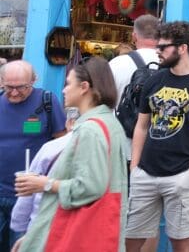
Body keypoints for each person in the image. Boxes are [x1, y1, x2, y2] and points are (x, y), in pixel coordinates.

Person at [13, 57, 128, 252]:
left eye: (68, 84)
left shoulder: (90, 130)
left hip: (78, 233)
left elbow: (90, 186)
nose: (64, 90)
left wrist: (44, 184)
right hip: (99, 231)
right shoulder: (109, 123)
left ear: (84, 87)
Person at [125, 21, 189, 252]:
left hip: (183, 174)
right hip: (146, 173)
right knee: (131, 239)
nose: (158, 51)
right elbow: (141, 125)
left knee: (181, 241)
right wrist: (135, 167)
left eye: (163, 46)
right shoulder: (153, 80)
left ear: (182, 48)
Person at [0, 60, 67, 252]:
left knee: (23, 247)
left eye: (21, 87)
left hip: (29, 195)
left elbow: (61, 143)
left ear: (34, 81)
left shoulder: (46, 101)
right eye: (8, 87)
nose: (13, 92)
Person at [10, 108, 79, 241]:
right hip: (78, 230)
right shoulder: (105, 146)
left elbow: (27, 193)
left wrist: (19, 227)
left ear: (70, 122)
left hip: (43, 226)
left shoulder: (51, 148)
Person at [109, 15, 161, 104]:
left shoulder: (116, 64)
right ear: (160, 36)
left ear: (134, 37)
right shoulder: (170, 64)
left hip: (120, 117)